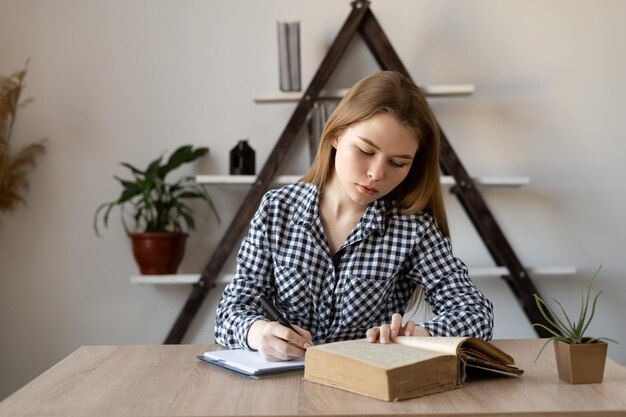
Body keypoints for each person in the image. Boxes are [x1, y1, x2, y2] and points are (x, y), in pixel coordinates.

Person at [215, 70, 494, 361]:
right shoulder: (277, 210)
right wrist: (258, 333)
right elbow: (230, 311)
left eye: (398, 163)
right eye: (364, 151)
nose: (376, 174)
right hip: (284, 389)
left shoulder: (413, 229)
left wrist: (418, 337)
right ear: (335, 134)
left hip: (367, 392)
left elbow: (475, 313)